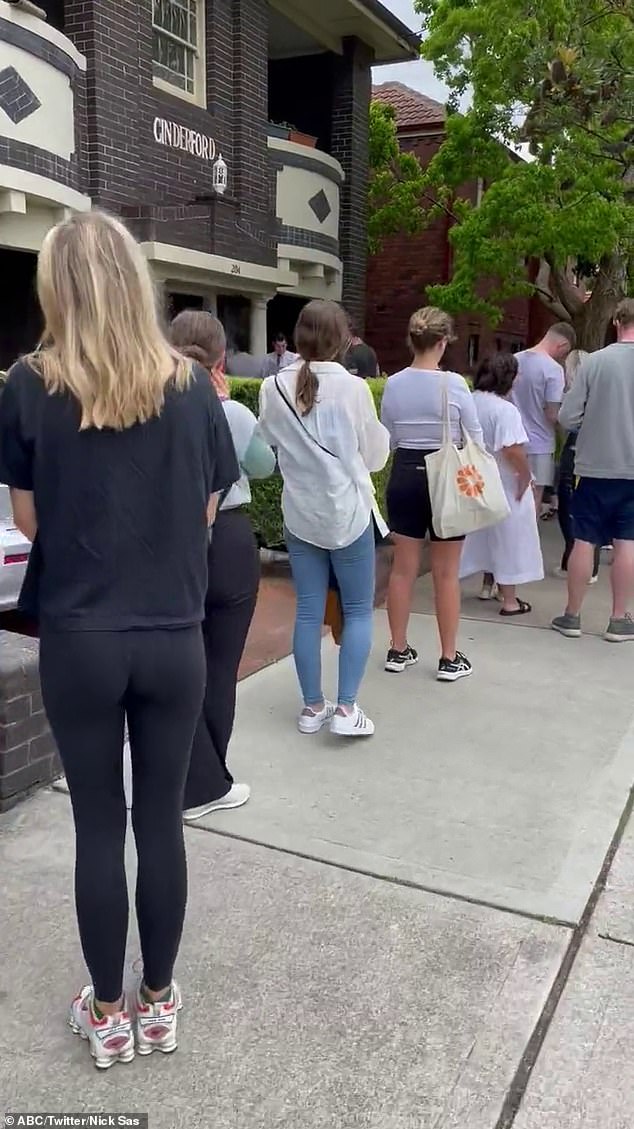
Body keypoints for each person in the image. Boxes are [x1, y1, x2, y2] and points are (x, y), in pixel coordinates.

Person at [0, 211, 239, 1068]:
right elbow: (206, 514)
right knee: (163, 826)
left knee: (99, 827)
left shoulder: (28, 384)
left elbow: (29, 518)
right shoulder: (191, 387)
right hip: (172, 636)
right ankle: (161, 1001)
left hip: (80, 635)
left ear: (56, 287)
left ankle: (106, 1014)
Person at [258, 299, 390, 737]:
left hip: (301, 512)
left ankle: (312, 706)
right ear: (342, 339)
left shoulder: (271, 387)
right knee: (357, 610)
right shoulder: (353, 389)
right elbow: (373, 457)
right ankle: (347, 708)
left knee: (309, 612)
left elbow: (268, 445)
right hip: (347, 511)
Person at [169, 310, 276, 821]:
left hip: (171, 542)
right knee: (220, 666)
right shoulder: (228, 412)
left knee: (178, 662)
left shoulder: (152, 401)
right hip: (228, 537)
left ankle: (177, 771)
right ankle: (207, 782)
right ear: (221, 360)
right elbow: (262, 466)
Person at [380, 307, 483, 682]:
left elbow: (387, 437)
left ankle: (397, 648)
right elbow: (475, 436)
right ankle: (449, 657)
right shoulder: (454, 385)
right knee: (445, 573)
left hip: (406, 473)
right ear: (442, 342)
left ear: (412, 340)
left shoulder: (393, 384)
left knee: (403, 569)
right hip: (445, 477)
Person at [553, 299, 634, 642]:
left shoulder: (595, 363)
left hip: (594, 466)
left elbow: (567, 417)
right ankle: (619, 618)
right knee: (627, 541)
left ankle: (572, 615)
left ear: (617, 321)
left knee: (584, 539)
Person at [459, 354, 544, 613]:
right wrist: (526, 476)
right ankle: (509, 600)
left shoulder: (469, 402)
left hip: (471, 480)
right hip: (503, 482)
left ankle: (475, 586)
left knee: (473, 537)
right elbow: (512, 449)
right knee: (509, 540)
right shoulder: (505, 410)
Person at [511, 323, 576, 515]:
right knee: (533, 500)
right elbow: (552, 414)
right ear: (562, 345)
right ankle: (528, 543)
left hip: (512, 440)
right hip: (540, 444)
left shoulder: (514, 361)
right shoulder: (553, 370)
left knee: (511, 495)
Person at [555, 349, 600, 584]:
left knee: (571, 507)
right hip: (600, 454)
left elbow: (566, 419)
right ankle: (588, 565)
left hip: (577, 449)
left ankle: (577, 563)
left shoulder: (578, 392)